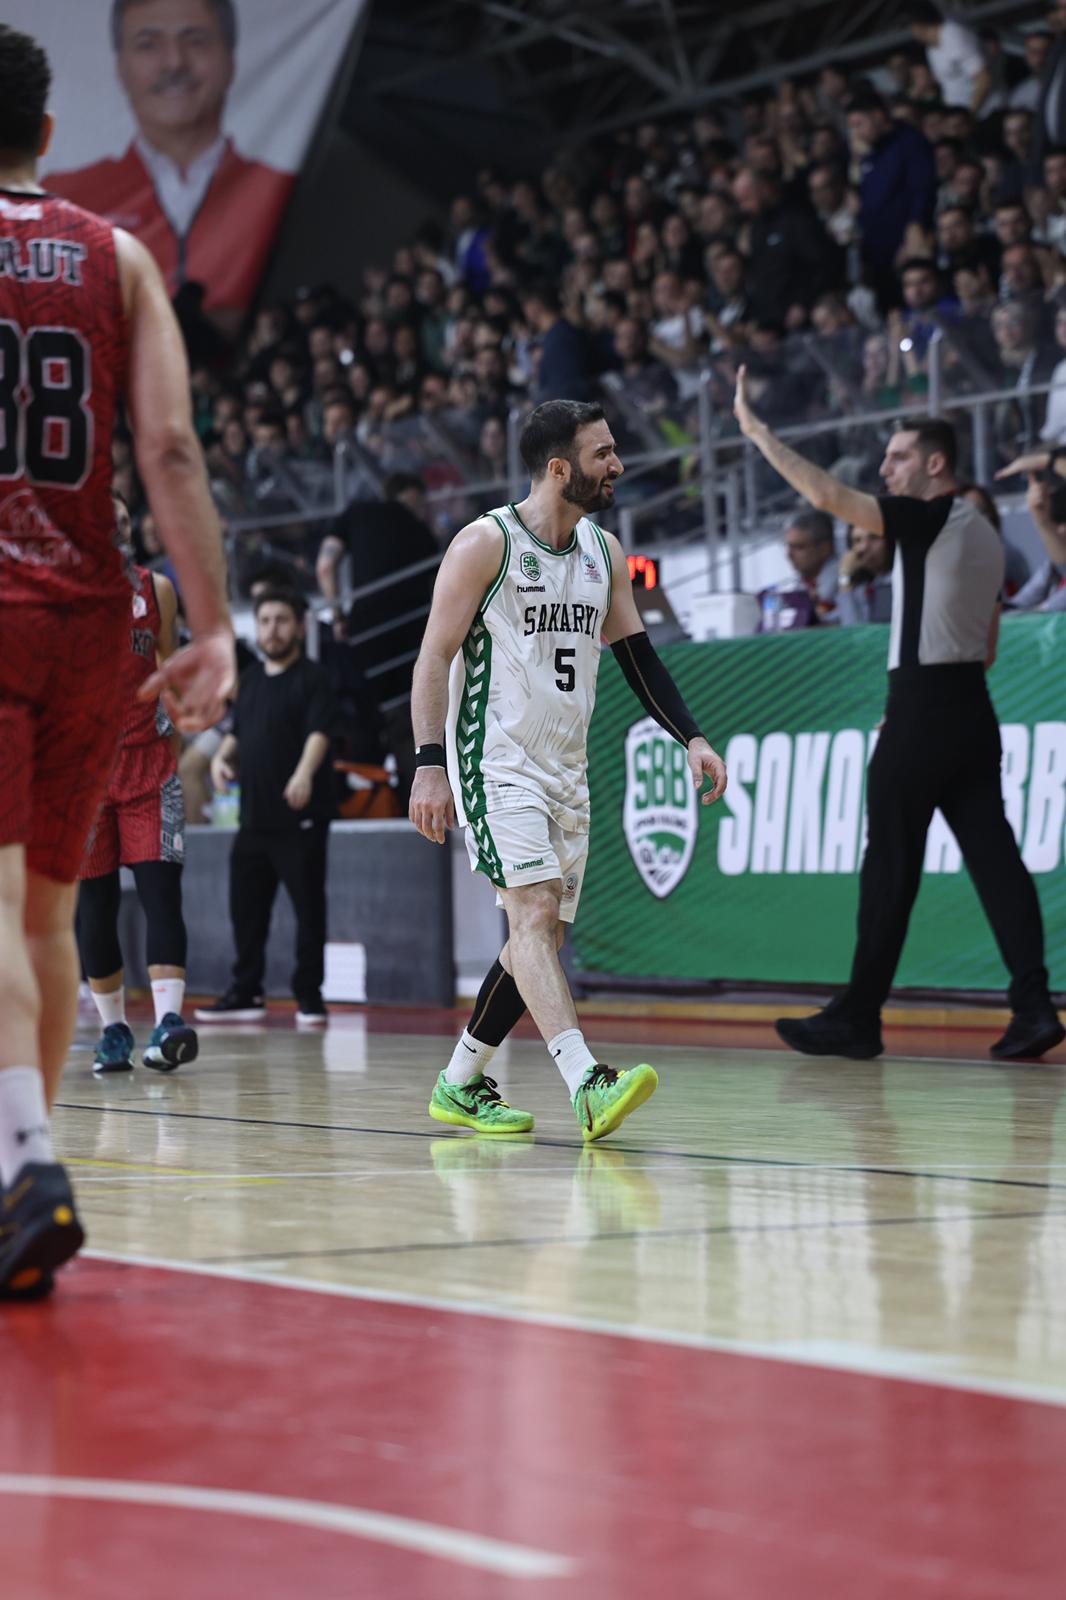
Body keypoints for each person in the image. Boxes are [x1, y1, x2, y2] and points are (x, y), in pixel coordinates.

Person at [0, 25, 235, 1298]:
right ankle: (19, 1192)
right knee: (44, 916)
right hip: (94, 616)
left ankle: (26, 1161)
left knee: (6, 912)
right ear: (48, 135)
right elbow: (171, 451)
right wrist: (211, 624)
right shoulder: (120, 253)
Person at [408, 399, 728, 1141]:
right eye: (602, 453)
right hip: (495, 760)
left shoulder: (604, 552)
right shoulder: (484, 544)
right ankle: (587, 1081)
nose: (617, 465)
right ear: (560, 469)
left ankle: (460, 1083)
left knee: (535, 940)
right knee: (535, 913)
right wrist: (430, 766)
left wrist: (693, 738)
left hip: (566, 767)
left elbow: (638, 657)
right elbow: (432, 658)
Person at [734, 368, 1064, 1063]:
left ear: (935, 464)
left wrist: (760, 433)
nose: (886, 468)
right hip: (971, 710)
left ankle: (858, 1016)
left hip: (921, 709)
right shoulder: (982, 533)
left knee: (889, 866)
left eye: (900, 456)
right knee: (997, 862)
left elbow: (825, 495)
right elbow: (990, 645)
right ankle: (1033, 1007)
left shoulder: (931, 514)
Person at [44, 0, 294, 317]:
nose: (174, 62)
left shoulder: (286, 191)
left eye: (196, 41)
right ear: (121, 67)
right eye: (148, 45)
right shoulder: (62, 199)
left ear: (231, 59)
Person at [77, 496, 198, 1074]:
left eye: (120, 521)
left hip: (150, 768)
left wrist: (173, 747)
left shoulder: (157, 589)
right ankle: (113, 1030)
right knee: (94, 908)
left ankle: (169, 1021)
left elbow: (170, 672)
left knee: (161, 895)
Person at [196, 588, 338, 1026]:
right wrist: (222, 756)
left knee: (308, 910)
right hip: (253, 820)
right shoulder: (252, 679)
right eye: (264, 620)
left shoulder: (314, 678)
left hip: (300, 820)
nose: (271, 629)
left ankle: (309, 996)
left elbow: (319, 733)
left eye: (280, 619)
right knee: (246, 911)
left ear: (297, 626)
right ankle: (246, 991)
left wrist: (303, 773)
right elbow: (240, 731)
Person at [837, 525, 893, 624]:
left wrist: (845, 576)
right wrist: (845, 577)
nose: (864, 547)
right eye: (857, 540)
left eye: (874, 538)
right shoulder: (859, 585)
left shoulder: (898, 581)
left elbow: (854, 629)